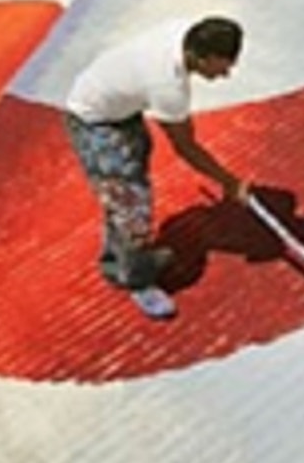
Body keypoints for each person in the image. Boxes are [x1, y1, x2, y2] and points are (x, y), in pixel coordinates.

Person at [62, 16, 259, 319]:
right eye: (222, 65)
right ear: (199, 57)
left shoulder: (186, 33)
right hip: (94, 121)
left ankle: (118, 257)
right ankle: (136, 279)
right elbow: (185, 147)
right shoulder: (167, 84)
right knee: (132, 205)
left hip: (122, 108)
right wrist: (230, 183)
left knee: (126, 186)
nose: (226, 74)